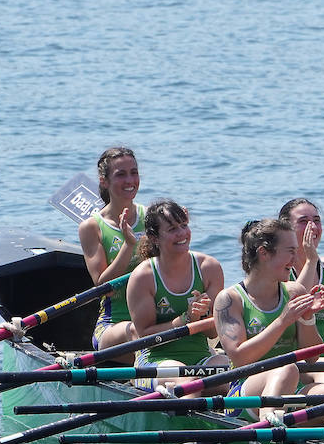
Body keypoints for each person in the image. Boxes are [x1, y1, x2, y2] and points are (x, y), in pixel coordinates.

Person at [213, 218, 324, 401]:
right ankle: (271, 416)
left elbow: (312, 358)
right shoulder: (229, 299)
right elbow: (240, 358)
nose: (295, 259)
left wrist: (307, 318)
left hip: (291, 385)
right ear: (264, 253)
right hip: (245, 391)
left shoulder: (295, 291)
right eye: (290, 251)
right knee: (286, 369)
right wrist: (283, 321)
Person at [124, 199, 226, 388]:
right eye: (172, 229)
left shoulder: (209, 268)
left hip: (201, 359)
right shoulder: (143, 277)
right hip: (156, 360)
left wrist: (204, 315)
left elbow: (213, 333)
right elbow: (145, 338)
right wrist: (186, 318)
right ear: (154, 238)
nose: (182, 233)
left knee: (235, 379)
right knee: (186, 384)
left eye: (184, 225)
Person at [78, 147, 146, 350]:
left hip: (156, 318)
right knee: (140, 331)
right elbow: (104, 287)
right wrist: (129, 245)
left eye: (134, 172)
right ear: (104, 181)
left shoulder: (152, 217)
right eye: (121, 174)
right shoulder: (91, 227)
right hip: (115, 323)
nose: (130, 180)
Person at [279, 198, 324, 343]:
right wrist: (311, 260)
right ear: (286, 228)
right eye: (303, 221)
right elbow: (295, 307)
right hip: (296, 352)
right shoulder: (279, 270)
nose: (313, 226)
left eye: (316, 220)